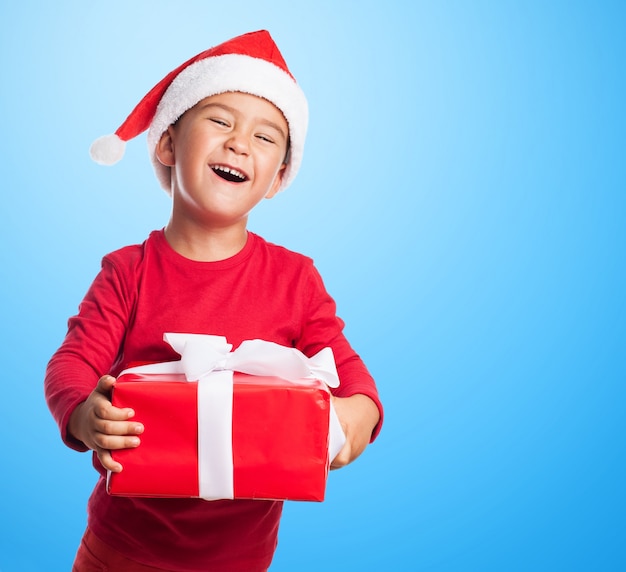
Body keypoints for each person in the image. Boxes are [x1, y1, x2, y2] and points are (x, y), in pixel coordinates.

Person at [45, 30, 383, 571]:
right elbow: (72, 363)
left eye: (266, 137)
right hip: (120, 550)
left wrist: (357, 416)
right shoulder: (127, 272)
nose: (239, 143)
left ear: (277, 179)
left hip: (242, 559)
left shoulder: (296, 279)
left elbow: (354, 379)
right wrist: (84, 414)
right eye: (220, 121)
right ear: (167, 144)